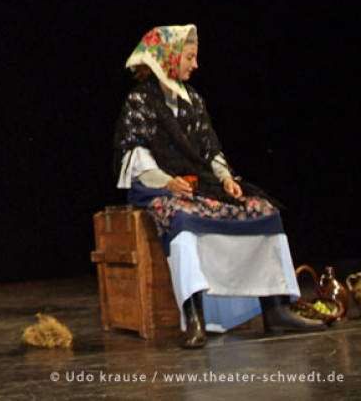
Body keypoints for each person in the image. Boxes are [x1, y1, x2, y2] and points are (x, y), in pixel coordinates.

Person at [112, 24, 325, 348]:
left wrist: (225, 177)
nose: (195, 65)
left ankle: (276, 310)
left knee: (263, 210)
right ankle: (195, 318)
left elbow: (210, 148)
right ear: (168, 57)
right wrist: (168, 182)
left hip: (201, 185)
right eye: (189, 57)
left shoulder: (192, 99)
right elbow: (137, 156)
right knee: (181, 221)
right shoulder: (140, 101)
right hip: (159, 187)